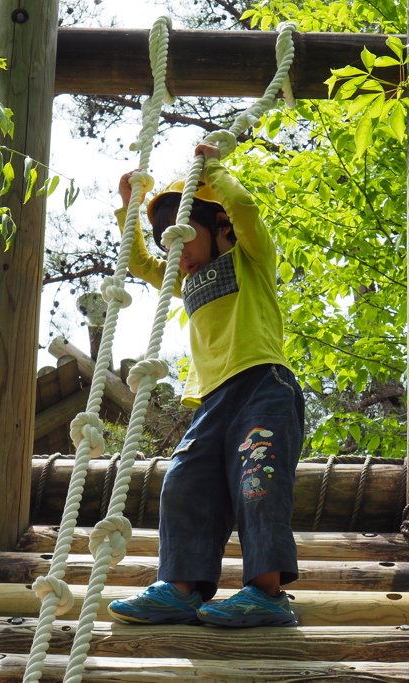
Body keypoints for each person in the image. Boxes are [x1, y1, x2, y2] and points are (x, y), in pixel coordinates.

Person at [106, 143, 305, 628]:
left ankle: (266, 593)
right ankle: (181, 587)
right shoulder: (184, 277)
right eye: (166, 243)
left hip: (263, 384)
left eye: (183, 235)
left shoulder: (250, 259)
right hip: (214, 400)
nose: (175, 251)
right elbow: (138, 263)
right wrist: (129, 204)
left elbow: (246, 209)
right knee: (183, 481)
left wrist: (212, 169)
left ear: (218, 229)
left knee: (257, 480)